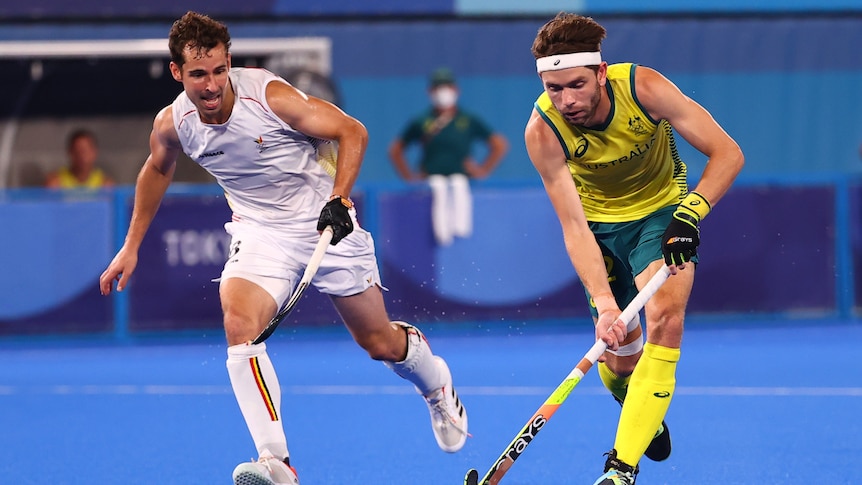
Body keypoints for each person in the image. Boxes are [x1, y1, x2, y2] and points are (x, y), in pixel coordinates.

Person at [98, 11, 468, 485]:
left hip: (323, 221)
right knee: (238, 322)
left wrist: (338, 197)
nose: (210, 86)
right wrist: (131, 246)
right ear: (177, 73)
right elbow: (157, 168)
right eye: (197, 75)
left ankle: (436, 385)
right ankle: (276, 462)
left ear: (229, 62)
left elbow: (352, 131)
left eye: (217, 71)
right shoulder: (174, 123)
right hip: (259, 230)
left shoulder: (268, 96)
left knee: (378, 343)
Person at [525, 13, 744, 485]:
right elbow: (573, 225)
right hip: (598, 230)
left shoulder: (644, 88)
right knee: (620, 359)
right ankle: (639, 404)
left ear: (601, 73)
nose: (566, 100)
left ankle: (620, 469)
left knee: (665, 318)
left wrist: (692, 213)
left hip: (662, 213)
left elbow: (728, 152)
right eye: (553, 88)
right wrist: (605, 304)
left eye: (576, 85)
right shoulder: (542, 131)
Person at [388, 67, 508, 246]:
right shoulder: (422, 120)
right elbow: (396, 149)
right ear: (430, 92)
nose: (443, 93)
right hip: (431, 178)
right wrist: (409, 178)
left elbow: (499, 144)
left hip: (461, 177)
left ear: (456, 90)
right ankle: (441, 235)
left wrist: (482, 170)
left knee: (458, 184)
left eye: (447, 87)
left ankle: (460, 230)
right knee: (439, 187)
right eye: (438, 88)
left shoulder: (467, 119)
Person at [45, 129, 115, 189]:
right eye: (77, 151)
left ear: (94, 153)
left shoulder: (105, 185)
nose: (81, 156)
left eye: (85, 151)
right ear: (70, 153)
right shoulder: (55, 183)